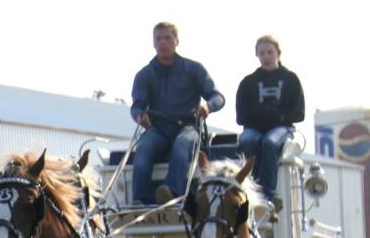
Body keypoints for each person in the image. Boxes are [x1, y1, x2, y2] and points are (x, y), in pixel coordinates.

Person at [129, 22, 226, 204]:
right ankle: (139, 199)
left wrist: (208, 107)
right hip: (157, 129)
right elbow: (137, 105)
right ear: (153, 43)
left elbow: (218, 97)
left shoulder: (194, 69)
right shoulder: (144, 75)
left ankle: (171, 192)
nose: (163, 43)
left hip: (187, 127)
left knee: (181, 146)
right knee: (142, 148)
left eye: (167, 38)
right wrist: (140, 116)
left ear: (176, 41)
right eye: (158, 39)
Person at [235, 34, 304, 210]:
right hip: (254, 128)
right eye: (262, 53)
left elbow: (299, 113)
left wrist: (278, 116)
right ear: (257, 55)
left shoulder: (291, 79)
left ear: (278, 53)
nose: (266, 57)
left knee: (269, 143)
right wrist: (258, 115)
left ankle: (267, 193)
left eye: (269, 52)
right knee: (246, 141)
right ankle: (248, 187)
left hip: (281, 128)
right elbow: (240, 117)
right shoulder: (248, 82)